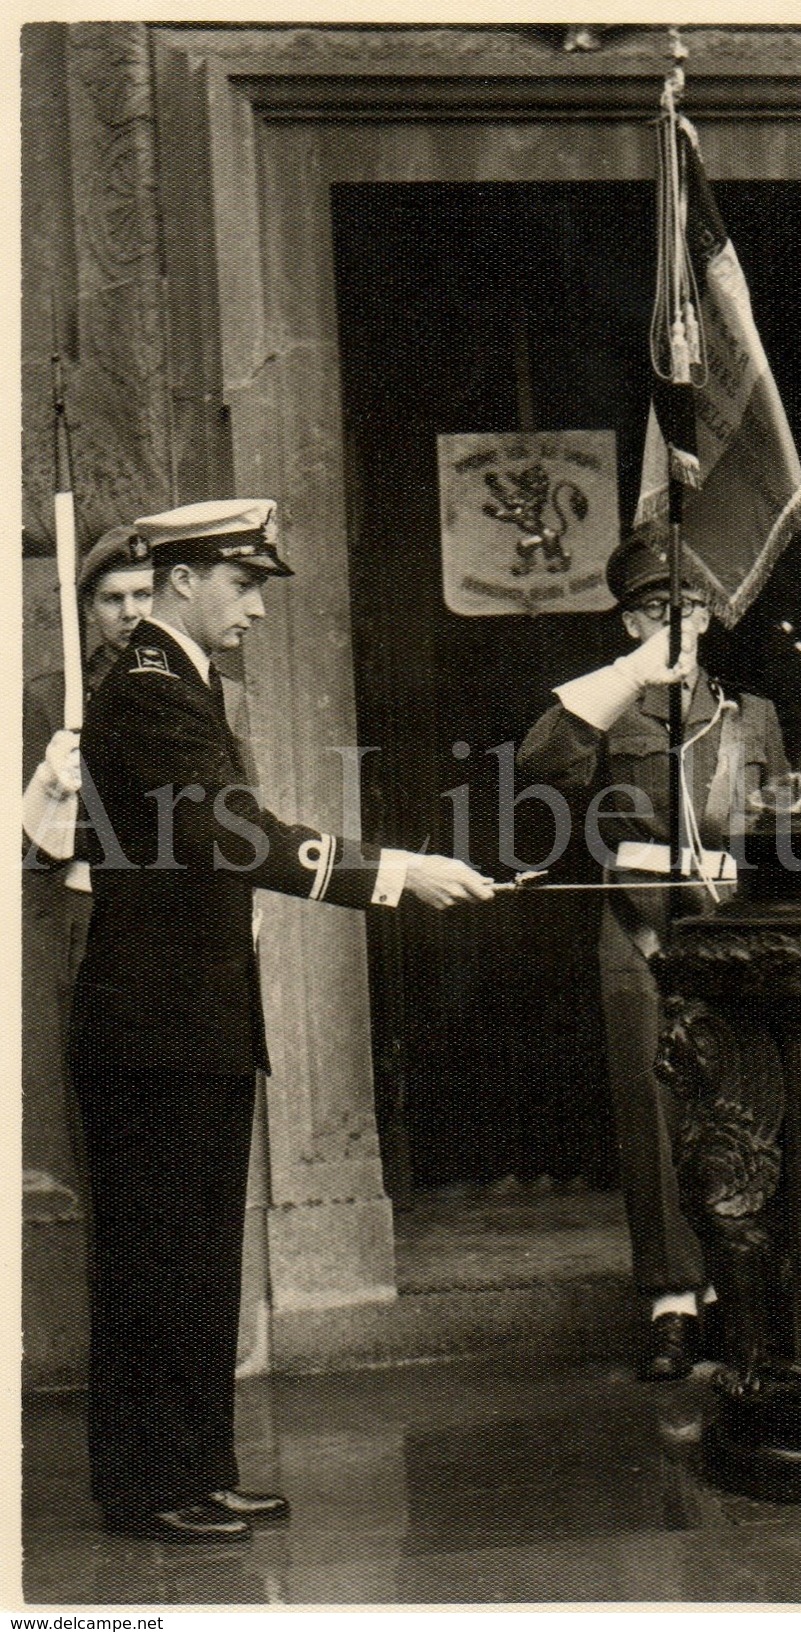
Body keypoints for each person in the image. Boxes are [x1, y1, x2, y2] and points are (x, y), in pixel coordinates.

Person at [69, 498, 495, 1544]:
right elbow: (233, 835)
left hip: (190, 1021)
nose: (257, 608)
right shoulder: (151, 690)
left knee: (196, 1257)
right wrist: (393, 872)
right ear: (181, 581)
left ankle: (195, 1471)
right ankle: (146, 1488)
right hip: (154, 1027)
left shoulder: (183, 683)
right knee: (156, 1261)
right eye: (243, 583)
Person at [517, 532, 789, 1381]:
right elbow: (539, 763)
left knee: (745, 1100)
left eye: (686, 608)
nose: (672, 622)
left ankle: (743, 1291)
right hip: (637, 923)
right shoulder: (609, 707)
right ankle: (672, 1301)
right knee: (651, 1106)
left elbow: (782, 830)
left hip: (731, 926)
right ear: (629, 621)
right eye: (650, 609)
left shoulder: (749, 715)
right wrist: (627, 678)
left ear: (706, 616)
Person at [22, 530, 155, 1204]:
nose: (130, 612)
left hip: (177, 920)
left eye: (143, 594)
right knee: (101, 1105)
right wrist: (55, 785)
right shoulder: (51, 700)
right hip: (90, 914)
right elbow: (29, 849)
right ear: (88, 608)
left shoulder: (208, 688)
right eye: (112, 598)